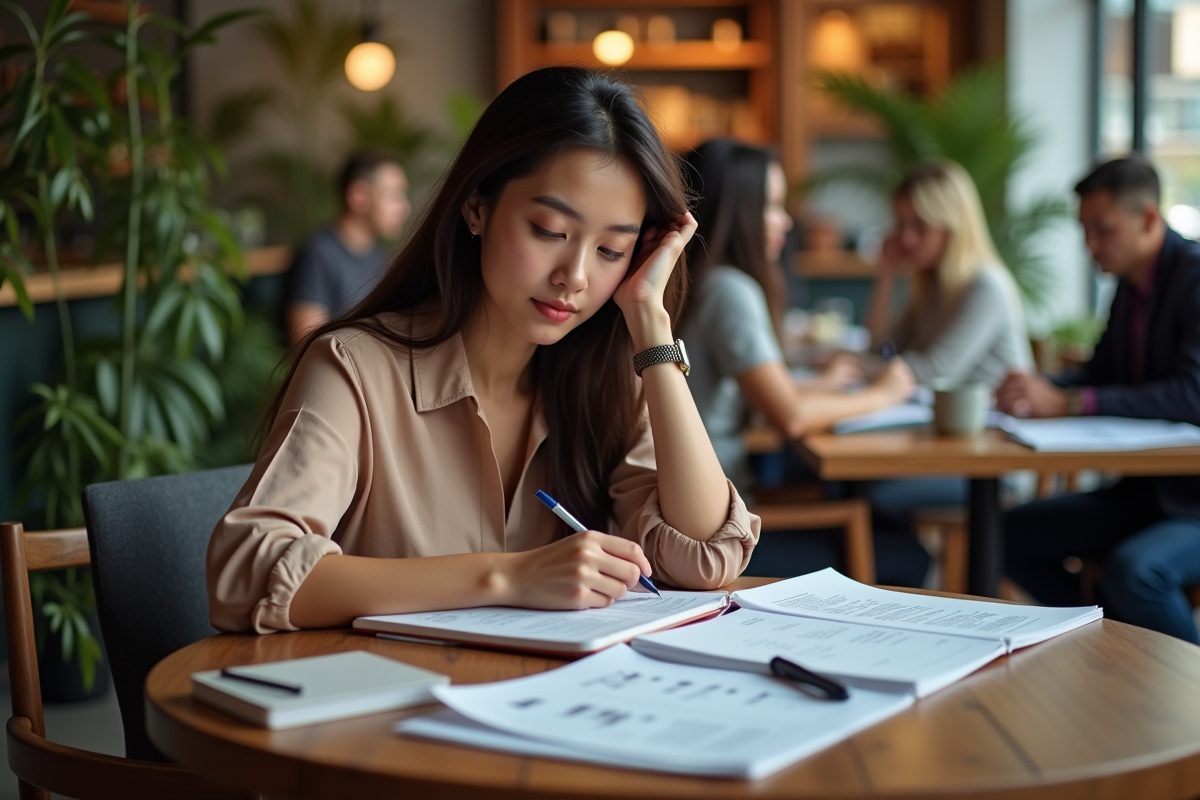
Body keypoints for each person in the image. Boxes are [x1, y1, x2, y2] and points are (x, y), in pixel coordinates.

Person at [207, 67, 761, 634]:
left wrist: (651, 321)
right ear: (477, 206)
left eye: (611, 250)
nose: (574, 276)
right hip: (384, 712)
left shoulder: (610, 383)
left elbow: (703, 557)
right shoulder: (354, 368)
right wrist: (508, 577)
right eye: (549, 230)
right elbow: (246, 575)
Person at [677, 138, 927, 585]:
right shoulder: (729, 290)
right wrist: (881, 394)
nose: (786, 221)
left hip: (706, 512)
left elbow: (759, 394)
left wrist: (828, 386)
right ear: (738, 212)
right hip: (723, 529)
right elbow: (788, 416)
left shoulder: (697, 280)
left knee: (890, 529)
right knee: (907, 554)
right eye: (772, 206)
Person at [997, 156, 1200, 644]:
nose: (1090, 245)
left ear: (1148, 219)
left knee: (1136, 575)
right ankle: (1113, 641)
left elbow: (1191, 395)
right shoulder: (1131, 287)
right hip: (1144, 492)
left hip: (1192, 501)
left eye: (1102, 230)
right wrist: (1039, 388)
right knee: (1003, 535)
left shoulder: (1194, 276)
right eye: (1085, 230)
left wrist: (1069, 404)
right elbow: (1101, 372)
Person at [862, 161, 1035, 533]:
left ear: (954, 226)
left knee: (870, 496)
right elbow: (881, 350)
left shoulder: (986, 287)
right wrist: (887, 275)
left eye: (920, 226)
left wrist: (858, 369)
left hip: (992, 465)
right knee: (859, 487)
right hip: (946, 448)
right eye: (901, 224)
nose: (907, 238)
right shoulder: (932, 284)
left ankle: (905, 580)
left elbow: (932, 372)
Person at [286, 149, 411, 345]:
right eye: (394, 195)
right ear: (358, 196)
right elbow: (306, 345)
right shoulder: (318, 255)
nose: (404, 208)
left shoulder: (377, 258)